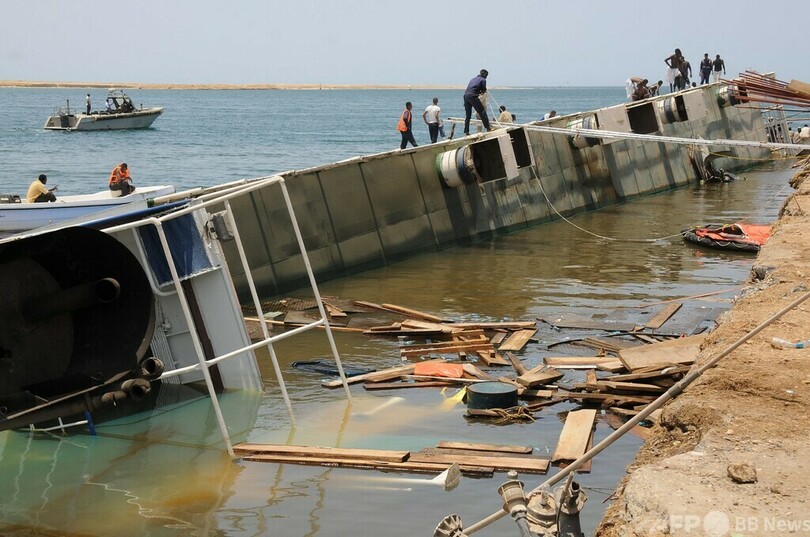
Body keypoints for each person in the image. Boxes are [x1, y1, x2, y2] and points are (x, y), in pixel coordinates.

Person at [463, 69, 491, 135]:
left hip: (466, 96)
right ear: (484, 75)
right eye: (486, 75)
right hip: (473, 96)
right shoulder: (483, 80)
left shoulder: (473, 79)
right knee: (482, 111)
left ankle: (466, 131)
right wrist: (482, 92)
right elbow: (483, 89)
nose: (486, 77)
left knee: (468, 115)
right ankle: (488, 128)